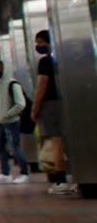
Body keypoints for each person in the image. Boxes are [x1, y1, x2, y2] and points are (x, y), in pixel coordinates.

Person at [32, 30, 76, 195]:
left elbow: (41, 85)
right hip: (65, 103)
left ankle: (62, 180)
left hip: (50, 105)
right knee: (67, 140)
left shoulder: (45, 62)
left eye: (41, 42)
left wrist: (35, 107)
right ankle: (73, 176)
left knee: (56, 142)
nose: (39, 46)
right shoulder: (63, 60)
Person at [0, 60, 31, 184]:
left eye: (0, 68)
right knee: (1, 146)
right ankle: (5, 173)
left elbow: (20, 104)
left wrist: (7, 114)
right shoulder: (0, 85)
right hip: (1, 122)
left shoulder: (13, 84)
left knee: (15, 147)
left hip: (12, 122)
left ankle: (24, 173)